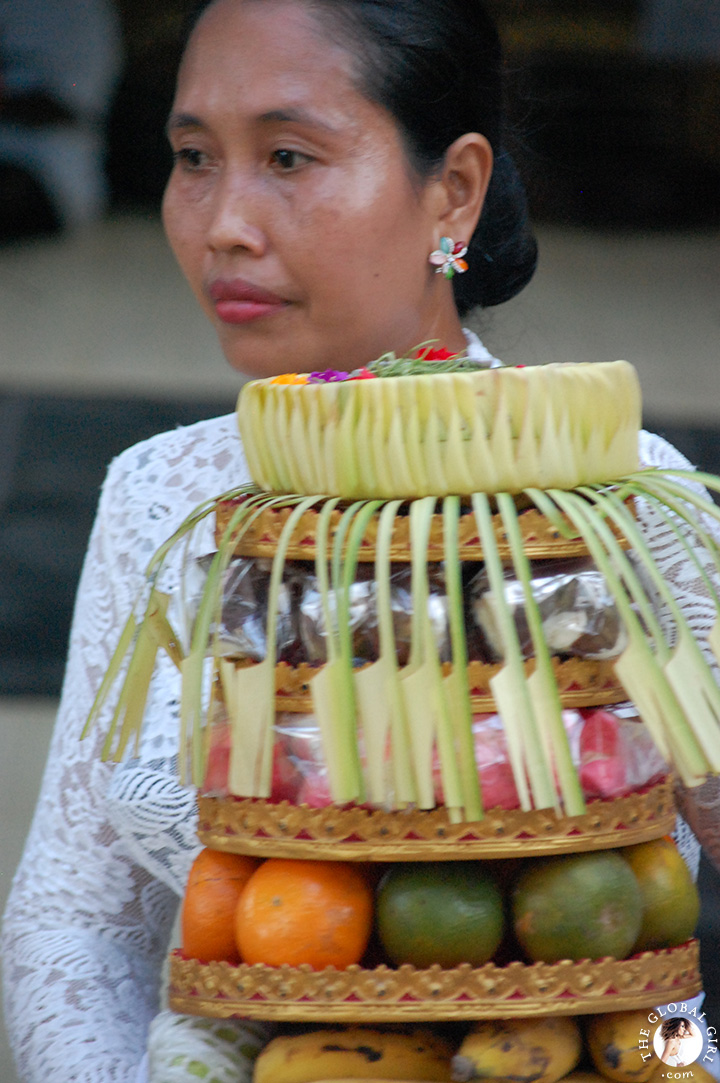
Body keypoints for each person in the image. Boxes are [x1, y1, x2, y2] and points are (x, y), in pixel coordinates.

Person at [2, 1, 717, 1080]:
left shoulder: (620, 510)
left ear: (455, 191)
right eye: (194, 157)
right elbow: (75, 919)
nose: (222, 223)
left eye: (289, 155)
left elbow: (683, 987)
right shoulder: (165, 498)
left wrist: (683, 1060)